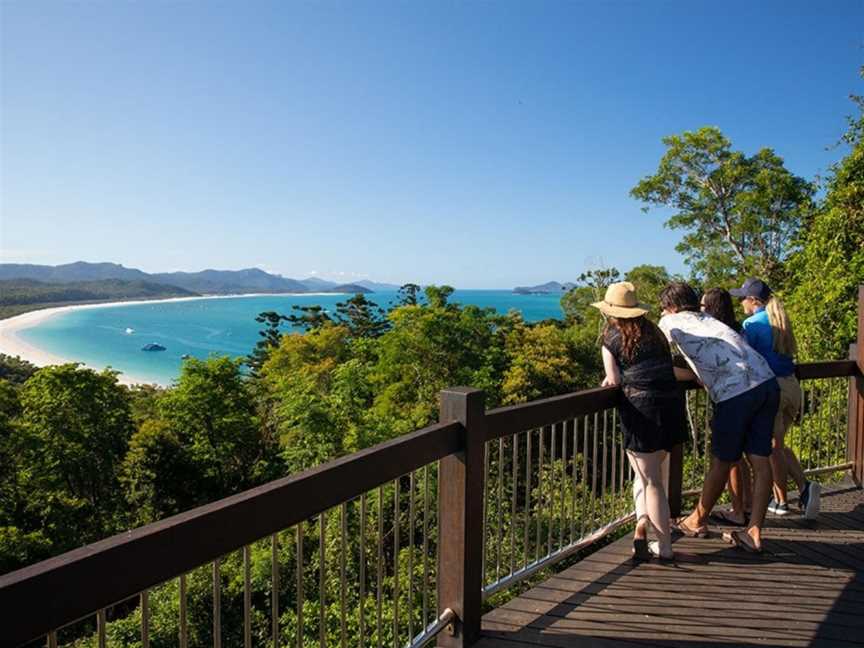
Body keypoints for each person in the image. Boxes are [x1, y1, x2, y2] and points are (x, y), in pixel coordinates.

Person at [658, 282, 779, 553]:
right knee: (760, 459)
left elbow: (652, 358)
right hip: (767, 382)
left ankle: (697, 520)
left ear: (671, 306)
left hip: (735, 392)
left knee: (722, 460)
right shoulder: (709, 319)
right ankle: (754, 530)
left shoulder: (670, 321)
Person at [593, 282, 688, 562]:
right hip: (670, 405)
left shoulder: (610, 337)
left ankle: (665, 546)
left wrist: (607, 383)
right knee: (649, 476)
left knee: (651, 482)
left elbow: (613, 380)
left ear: (611, 312)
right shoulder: (655, 332)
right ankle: (642, 524)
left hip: (641, 410)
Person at [730, 278, 820, 519]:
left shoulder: (751, 324)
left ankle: (791, 495)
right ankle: (798, 492)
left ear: (753, 301)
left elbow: (741, 356)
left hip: (774, 389)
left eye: (742, 298)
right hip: (792, 387)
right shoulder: (780, 318)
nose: (740, 303)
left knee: (771, 448)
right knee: (776, 446)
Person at [700, 288, 751, 526]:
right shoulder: (739, 329)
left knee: (729, 458)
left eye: (702, 306)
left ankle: (737, 510)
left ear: (710, 308)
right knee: (741, 457)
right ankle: (745, 505)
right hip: (750, 392)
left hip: (730, 396)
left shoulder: (714, 333)